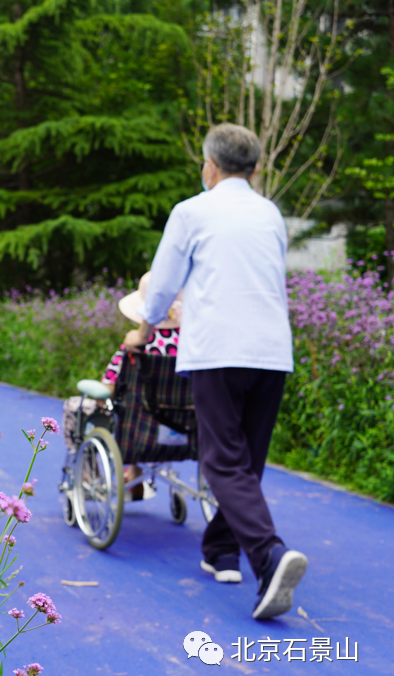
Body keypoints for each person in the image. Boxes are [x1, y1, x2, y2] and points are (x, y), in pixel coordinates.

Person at [130, 123, 307, 620]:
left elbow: (162, 283)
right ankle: (220, 550)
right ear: (254, 168)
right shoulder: (270, 213)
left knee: (223, 461)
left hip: (218, 350)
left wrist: (145, 330)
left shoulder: (192, 211)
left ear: (209, 165)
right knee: (246, 461)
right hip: (271, 351)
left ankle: (269, 556)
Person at [61, 271, 181, 501]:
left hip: (137, 426)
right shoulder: (193, 346)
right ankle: (135, 473)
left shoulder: (134, 346)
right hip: (180, 425)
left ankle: (89, 477)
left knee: (76, 408)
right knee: (145, 408)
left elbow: (109, 389)